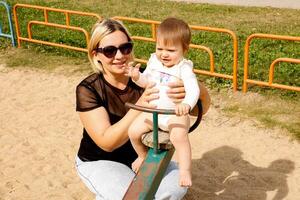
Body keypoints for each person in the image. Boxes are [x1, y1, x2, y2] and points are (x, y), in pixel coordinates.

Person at [75, 18, 211, 200]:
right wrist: (141, 105)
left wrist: (193, 88)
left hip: (146, 154)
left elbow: (201, 109)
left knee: (174, 189)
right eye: (109, 51)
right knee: (131, 196)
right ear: (95, 55)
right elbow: (107, 142)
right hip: (102, 159)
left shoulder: (151, 74)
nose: (119, 56)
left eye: (125, 47)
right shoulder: (89, 89)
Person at [125, 17, 199, 187]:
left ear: (184, 49)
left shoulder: (183, 68)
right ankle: (142, 156)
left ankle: (185, 171)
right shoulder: (154, 62)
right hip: (154, 113)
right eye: (160, 48)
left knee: (179, 137)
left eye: (171, 50)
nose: (164, 54)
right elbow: (147, 82)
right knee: (133, 132)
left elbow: (193, 89)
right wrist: (137, 77)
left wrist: (186, 105)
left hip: (174, 114)